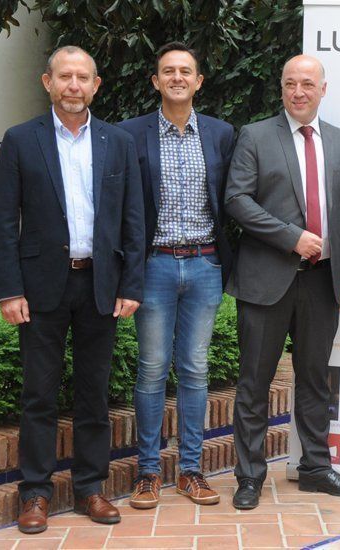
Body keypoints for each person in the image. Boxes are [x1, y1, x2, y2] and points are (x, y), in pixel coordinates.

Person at [0, 46, 144, 533]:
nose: (74, 85)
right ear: (48, 82)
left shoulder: (117, 142)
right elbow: (3, 221)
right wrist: (9, 289)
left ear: (96, 85)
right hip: (39, 289)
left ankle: (90, 489)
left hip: (100, 284)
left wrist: (131, 283)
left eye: (83, 78)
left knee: (94, 394)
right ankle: (34, 493)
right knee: (39, 394)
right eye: (65, 77)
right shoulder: (20, 140)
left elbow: (133, 221)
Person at [224, 54, 340, 510]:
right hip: (267, 280)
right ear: (281, 88)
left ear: (323, 89)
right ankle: (249, 477)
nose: (298, 92)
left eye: (307, 83)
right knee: (254, 384)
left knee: (314, 381)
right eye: (290, 83)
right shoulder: (256, 135)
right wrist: (291, 238)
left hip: (323, 281)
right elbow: (237, 200)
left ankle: (316, 469)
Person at [118, 42, 235, 509]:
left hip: (205, 264)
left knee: (195, 369)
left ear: (199, 80)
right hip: (155, 266)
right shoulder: (131, 134)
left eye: (186, 70)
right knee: (150, 370)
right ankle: (148, 473)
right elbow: (125, 207)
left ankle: (191, 470)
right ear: (156, 81)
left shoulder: (222, 134)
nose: (178, 78)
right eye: (168, 71)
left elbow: (234, 199)